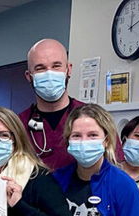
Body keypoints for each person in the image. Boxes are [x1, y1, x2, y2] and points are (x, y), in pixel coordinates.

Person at [18, 38, 85, 172]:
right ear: (29, 76)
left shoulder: (93, 118)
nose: (49, 73)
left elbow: (114, 168)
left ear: (68, 69)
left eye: (56, 66)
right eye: (40, 68)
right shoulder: (19, 124)